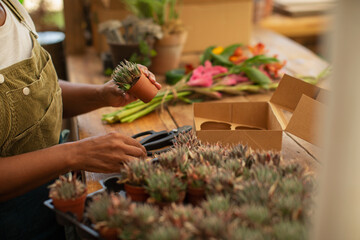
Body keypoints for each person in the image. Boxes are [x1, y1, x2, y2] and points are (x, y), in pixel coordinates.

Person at [0, 0, 161, 239]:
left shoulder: (10, 7)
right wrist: (75, 154)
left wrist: (101, 95)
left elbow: (40, 94)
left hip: (57, 200)